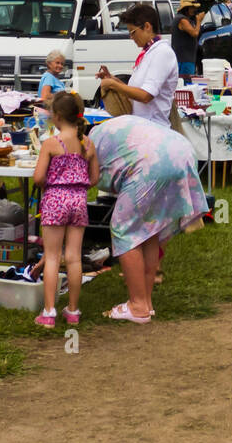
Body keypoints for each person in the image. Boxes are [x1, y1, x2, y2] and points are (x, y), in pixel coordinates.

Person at [88, 113, 209, 321]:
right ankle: (146, 301)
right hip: (182, 151)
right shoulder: (108, 129)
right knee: (149, 228)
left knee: (123, 228)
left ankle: (137, 306)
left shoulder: (92, 144)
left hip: (153, 163)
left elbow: (93, 178)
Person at [31, 91, 99, 327]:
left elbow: (38, 177)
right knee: (73, 258)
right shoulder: (88, 143)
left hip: (55, 201)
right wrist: (78, 185)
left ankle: (49, 312)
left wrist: (50, 182)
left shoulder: (51, 143)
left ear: (57, 116)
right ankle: (73, 310)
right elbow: (95, 177)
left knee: (51, 257)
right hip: (79, 201)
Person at [96, 2, 179, 127]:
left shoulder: (162, 53)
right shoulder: (148, 53)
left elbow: (145, 96)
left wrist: (114, 85)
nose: (131, 37)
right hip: (141, 126)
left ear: (147, 27)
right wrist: (113, 80)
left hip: (154, 128)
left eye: (133, 32)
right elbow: (137, 92)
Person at [171, 0, 203, 80]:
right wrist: (199, 21)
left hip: (187, 58)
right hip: (184, 59)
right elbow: (195, 33)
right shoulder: (182, 20)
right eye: (192, 8)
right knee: (186, 83)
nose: (194, 10)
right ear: (186, 8)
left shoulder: (187, 19)